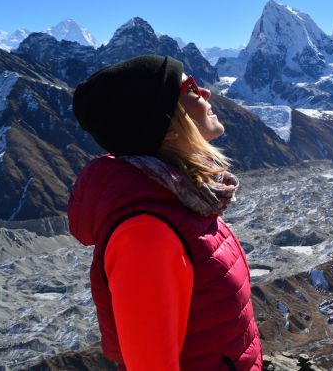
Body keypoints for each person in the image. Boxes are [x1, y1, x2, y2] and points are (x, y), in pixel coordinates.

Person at [67, 55, 262, 370]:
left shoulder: (184, 199)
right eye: (190, 87)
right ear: (164, 121)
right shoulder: (146, 235)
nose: (207, 93)